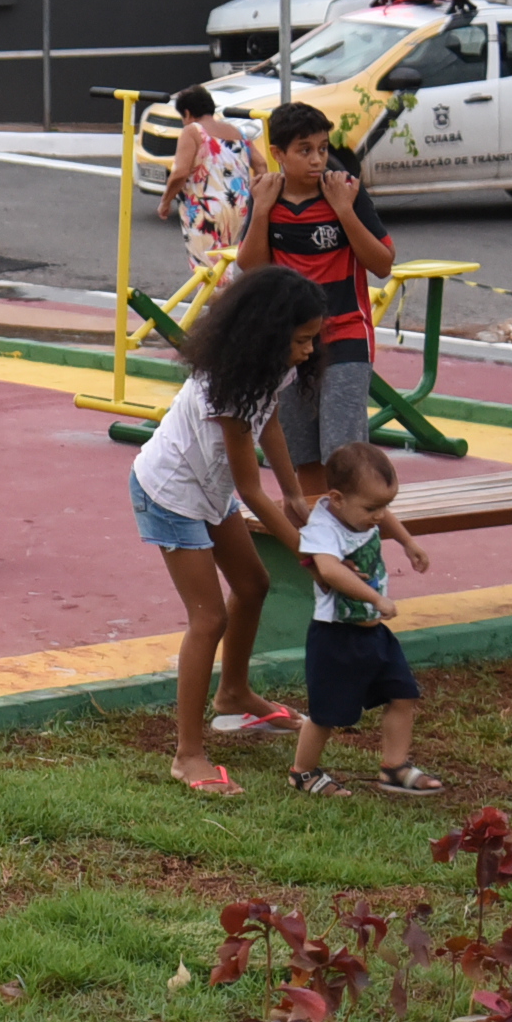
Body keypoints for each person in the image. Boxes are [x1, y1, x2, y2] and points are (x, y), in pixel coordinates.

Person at [129, 264, 328, 795]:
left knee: (254, 584)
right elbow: (252, 492)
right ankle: (187, 755)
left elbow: (272, 422)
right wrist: (313, 557)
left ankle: (234, 696)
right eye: (301, 340)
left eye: (313, 339)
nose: (308, 351)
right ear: (268, 335)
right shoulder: (228, 388)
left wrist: (295, 494)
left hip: (209, 487)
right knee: (208, 617)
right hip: (169, 493)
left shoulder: (270, 368)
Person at [237, 101, 395, 498]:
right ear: (278, 153)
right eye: (304, 150)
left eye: (323, 149)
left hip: (345, 337)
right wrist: (261, 212)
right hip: (289, 345)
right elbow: (251, 268)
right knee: (304, 456)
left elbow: (382, 264)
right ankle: (317, 530)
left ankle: (355, 529)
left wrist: (344, 211)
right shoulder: (266, 197)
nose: (316, 159)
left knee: (345, 456)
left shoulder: (346, 192)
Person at [288, 440, 443, 799]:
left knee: (403, 694)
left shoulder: (360, 510)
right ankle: (303, 772)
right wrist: (375, 598)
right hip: (335, 637)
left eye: (385, 505)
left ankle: (394, 767)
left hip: (374, 634)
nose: (380, 515)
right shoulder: (323, 528)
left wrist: (407, 542)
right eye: (372, 508)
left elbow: (383, 517)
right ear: (337, 498)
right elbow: (329, 570)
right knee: (326, 714)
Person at [157, 86, 257, 272]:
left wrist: (165, 201)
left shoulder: (193, 131)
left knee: (206, 269)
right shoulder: (238, 132)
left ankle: (220, 293)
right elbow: (261, 164)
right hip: (238, 206)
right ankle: (226, 290)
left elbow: (180, 173)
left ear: (187, 113)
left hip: (206, 208)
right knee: (223, 263)